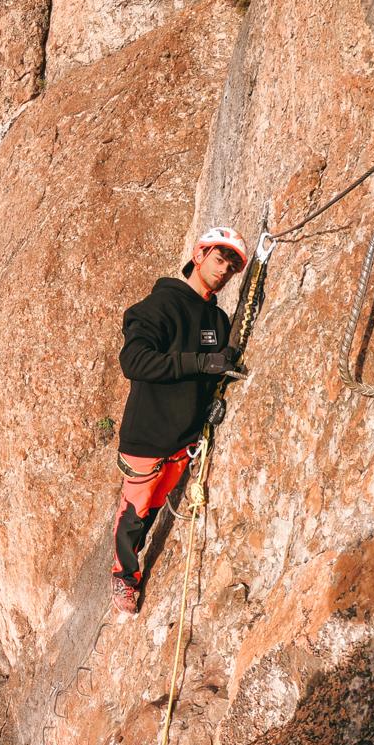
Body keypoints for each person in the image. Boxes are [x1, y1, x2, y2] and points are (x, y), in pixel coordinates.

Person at [111, 226, 249, 614]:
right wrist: (200, 362)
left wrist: (212, 399)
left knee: (153, 507)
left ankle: (129, 565)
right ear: (199, 254)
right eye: (220, 259)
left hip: (183, 439)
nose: (225, 270)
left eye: (233, 267)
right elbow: (133, 361)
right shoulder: (158, 307)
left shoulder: (218, 321)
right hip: (148, 437)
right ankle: (124, 576)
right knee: (135, 512)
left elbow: (209, 373)